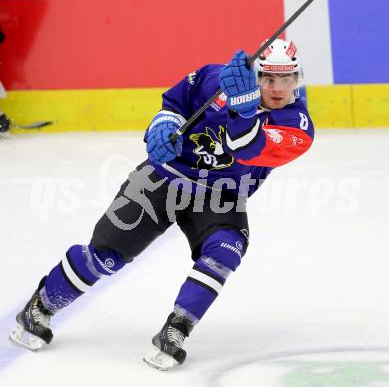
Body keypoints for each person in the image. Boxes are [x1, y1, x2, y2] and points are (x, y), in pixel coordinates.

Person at [10, 39, 314, 370]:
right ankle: (42, 305)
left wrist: (242, 108)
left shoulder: (296, 126)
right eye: (268, 78)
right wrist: (164, 123)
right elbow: (176, 101)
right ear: (255, 75)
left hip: (221, 194)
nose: (277, 88)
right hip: (162, 177)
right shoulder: (216, 79)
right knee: (105, 257)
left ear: (297, 80)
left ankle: (176, 329)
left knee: (226, 250)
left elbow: (245, 148)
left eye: (286, 79)